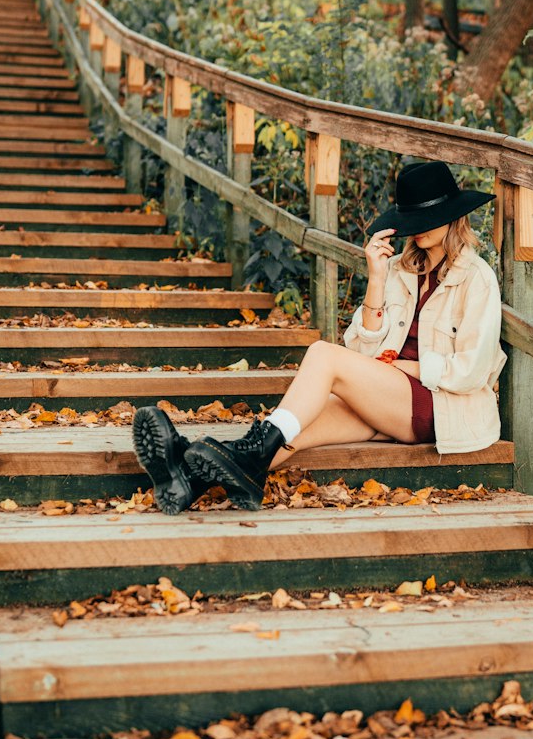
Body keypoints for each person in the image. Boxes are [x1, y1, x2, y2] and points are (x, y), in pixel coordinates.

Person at [132, 160, 507, 513]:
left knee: (323, 355)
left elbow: (471, 371)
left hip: (440, 409)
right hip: (388, 400)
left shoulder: (476, 278)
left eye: (431, 217)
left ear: (453, 217)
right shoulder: (398, 269)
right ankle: (187, 478)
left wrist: (407, 368)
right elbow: (361, 350)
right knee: (299, 430)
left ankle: (201, 457)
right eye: (414, 217)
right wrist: (375, 279)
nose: (421, 226)